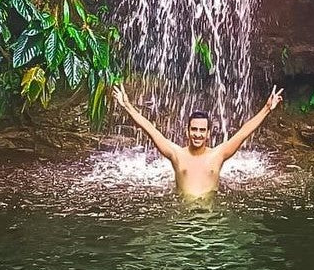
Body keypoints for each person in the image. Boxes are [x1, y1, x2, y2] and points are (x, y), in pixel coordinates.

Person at [110, 84, 283, 198]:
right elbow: (150, 130)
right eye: (194, 129)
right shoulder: (176, 154)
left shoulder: (218, 154)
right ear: (187, 131)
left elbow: (244, 131)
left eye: (202, 130)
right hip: (183, 219)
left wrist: (267, 108)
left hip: (211, 218)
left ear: (208, 134)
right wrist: (127, 106)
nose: (198, 134)